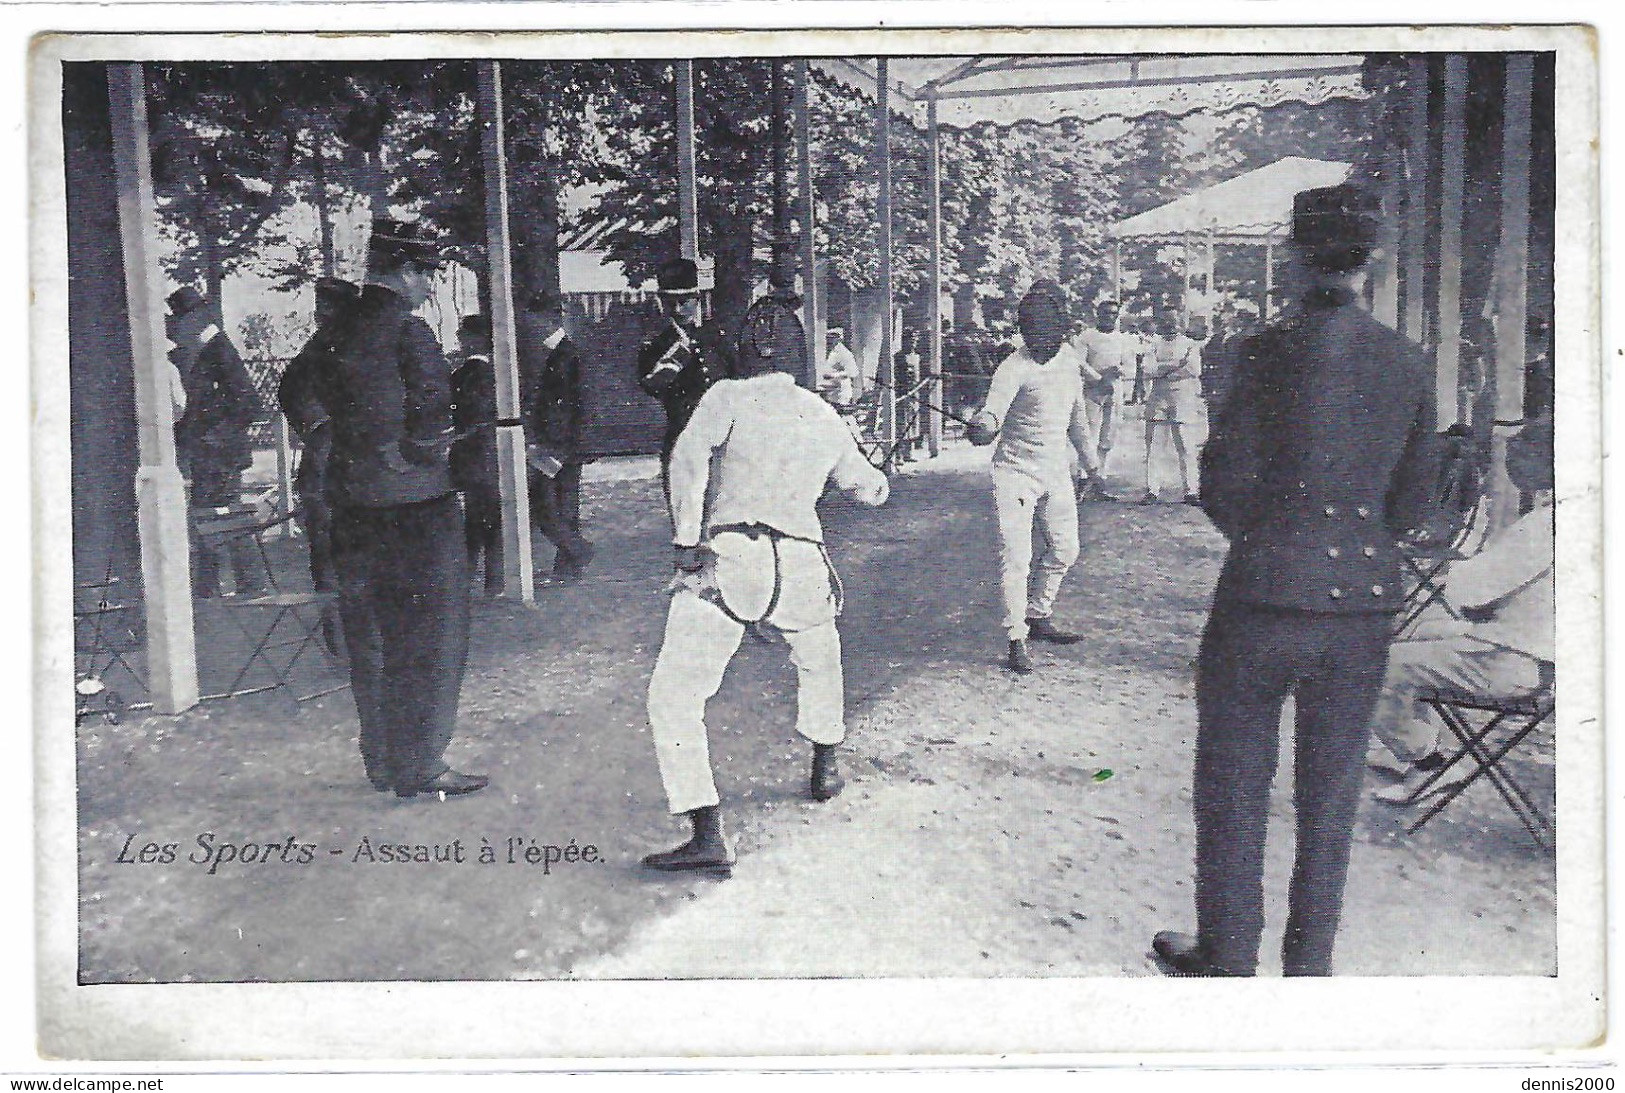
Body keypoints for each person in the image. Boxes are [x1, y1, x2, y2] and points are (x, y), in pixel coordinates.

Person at [1152, 184, 1437, 977]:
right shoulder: (1406, 361)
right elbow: (1412, 505)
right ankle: (1308, 965)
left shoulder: (1261, 352)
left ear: (1293, 255)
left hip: (1262, 595)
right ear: (1372, 260)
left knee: (1233, 779)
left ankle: (1227, 954)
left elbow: (1222, 484)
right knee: (1332, 788)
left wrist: (1271, 540)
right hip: (1361, 609)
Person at [641, 332, 890, 875]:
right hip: (800, 558)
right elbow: (866, 486)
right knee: (820, 660)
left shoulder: (726, 395)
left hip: (732, 553)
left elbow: (686, 458)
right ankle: (825, 764)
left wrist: (686, 540)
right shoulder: (823, 413)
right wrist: (878, 483)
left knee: (674, 695)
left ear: (742, 354)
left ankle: (707, 832)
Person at [311, 218, 486, 800]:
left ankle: (382, 759)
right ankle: (422, 764)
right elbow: (435, 411)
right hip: (417, 506)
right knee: (432, 635)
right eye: (428, 275)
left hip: (350, 506)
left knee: (371, 636)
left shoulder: (336, 328)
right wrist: (417, 453)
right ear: (406, 273)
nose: (430, 287)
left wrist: (335, 442)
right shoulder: (411, 333)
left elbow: (296, 390)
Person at [1368, 416, 1553, 804]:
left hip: (1511, 662)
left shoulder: (1543, 526)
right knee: (1422, 630)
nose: (1512, 466)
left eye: (1524, 456)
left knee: (1375, 664)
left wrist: (1466, 563)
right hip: (1526, 652)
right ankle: (1408, 741)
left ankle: (1429, 762)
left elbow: (1472, 594)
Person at [966, 281, 1093, 676]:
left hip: (1055, 470)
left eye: (1047, 331)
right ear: (1024, 331)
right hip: (1015, 474)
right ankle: (1016, 636)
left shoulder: (1070, 360)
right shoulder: (1012, 368)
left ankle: (1039, 613)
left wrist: (1092, 466)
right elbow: (992, 415)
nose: (1040, 339)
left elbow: (1077, 419)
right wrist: (982, 426)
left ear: (1060, 330)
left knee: (1066, 550)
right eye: (1032, 331)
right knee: (1016, 558)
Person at [277, 275, 361, 653]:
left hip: (356, 469)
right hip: (329, 469)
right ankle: (342, 644)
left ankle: (354, 643)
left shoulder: (361, 349)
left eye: (327, 308)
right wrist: (319, 426)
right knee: (330, 559)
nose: (321, 315)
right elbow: (289, 389)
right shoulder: (317, 351)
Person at [167, 286, 264, 597]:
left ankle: (243, 585)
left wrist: (215, 437)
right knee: (209, 517)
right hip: (205, 452)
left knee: (226, 518)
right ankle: (211, 587)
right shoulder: (192, 352)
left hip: (222, 451)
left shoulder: (218, 348)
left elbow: (249, 404)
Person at [636, 258, 738, 502]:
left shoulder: (715, 339)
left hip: (720, 440)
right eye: (671, 303)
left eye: (685, 301)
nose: (678, 308)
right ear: (661, 302)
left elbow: (735, 381)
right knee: (684, 514)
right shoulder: (655, 346)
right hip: (682, 437)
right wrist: (678, 352)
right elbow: (652, 384)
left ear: (698, 299)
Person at [518, 292, 596, 582]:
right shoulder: (561, 352)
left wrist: (554, 446)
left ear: (548, 319)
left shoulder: (564, 354)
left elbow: (570, 404)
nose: (528, 325)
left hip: (559, 445)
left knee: (544, 503)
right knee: (563, 506)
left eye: (532, 319)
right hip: (564, 444)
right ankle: (568, 566)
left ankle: (577, 552)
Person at [449, 314, 503, 594]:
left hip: (473, 455)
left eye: (464, 335)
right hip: (489, 456)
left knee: (477, 522)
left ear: (476, 339)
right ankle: (492, 584)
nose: (460, 340)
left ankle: (472, 581)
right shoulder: (498, 373)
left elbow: (471, 416)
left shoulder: (466, 375)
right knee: (488, 522)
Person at [1069, 298, 1137, 499]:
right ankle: (1083, 478)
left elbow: (1130, 366)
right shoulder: (1086, 337)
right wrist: (1099, 378)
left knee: (1108, 436)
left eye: (1113, 314)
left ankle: (1100, 480)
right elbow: (1079, 363)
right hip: (1092, 390)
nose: (1109, 317)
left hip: (1114, 389)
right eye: (1106, 313)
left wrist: (1118, 371)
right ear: (1098, 314)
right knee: (1087, 433)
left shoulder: (1123, 339)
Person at [1138, 306, 1203, 505]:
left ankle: (1191, 490)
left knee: (1185, 446)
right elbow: (1147, 370)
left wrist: (1163, 369)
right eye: (1166, 320)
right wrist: (1176, 365)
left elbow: (1193, 369)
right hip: (1158, 398)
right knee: (1155, 447)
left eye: (1173, 320)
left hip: (1182, 400)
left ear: (1180, 321)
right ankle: (1152, 490)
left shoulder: (1190, 344)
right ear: (1159, 322)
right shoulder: (1152, 344)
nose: (1170, 324)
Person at [818, 327, 860, 410]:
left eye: (833, 337)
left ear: (839, 339)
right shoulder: (828, 351)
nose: (830, 340)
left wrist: (833, 375)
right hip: (829, 391)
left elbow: (853, 372)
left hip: (841, 391)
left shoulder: (845, 353)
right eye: (829, 337)